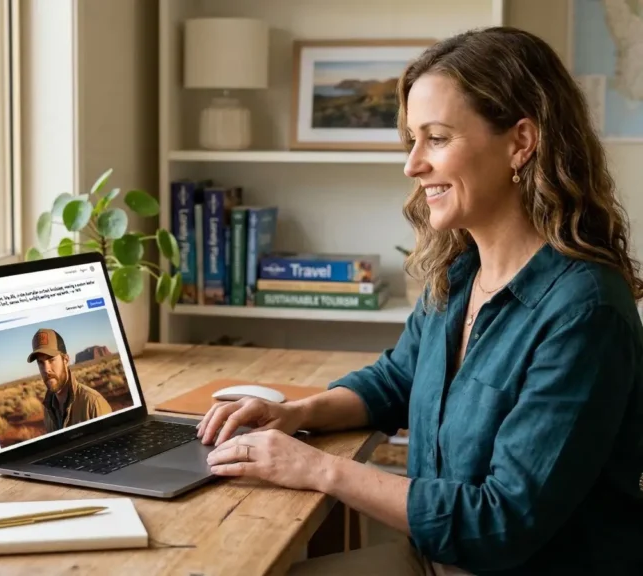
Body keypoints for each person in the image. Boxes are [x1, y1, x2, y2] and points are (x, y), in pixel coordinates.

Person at [196, 26, 643, 575]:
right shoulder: (460, 272)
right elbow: (396, 380)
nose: (412, 165)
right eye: (412, 139)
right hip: (431, 560)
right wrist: (294, 414)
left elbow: (500, 523)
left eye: (436, 138)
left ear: (521, 143)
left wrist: (316, 469)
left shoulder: (584, 312)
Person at [26, 328, 112, 433]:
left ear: (65, 360)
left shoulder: (93, 403)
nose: (46, 369)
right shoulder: (47, 409)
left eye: (51, 359)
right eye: (40, 362)